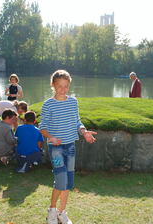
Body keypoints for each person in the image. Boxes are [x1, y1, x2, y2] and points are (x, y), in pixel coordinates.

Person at [39, 69, 97, 224]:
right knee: (60, 179)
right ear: (53, 85)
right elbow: (42, 127)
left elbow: (77, 122)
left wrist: (84, 132)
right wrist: (51, 137)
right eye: (60, 86)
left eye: (66, 86)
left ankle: (61, 213)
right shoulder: (48, 105)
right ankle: (52, 211)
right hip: (56, 148)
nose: (63, 90)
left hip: (71, 146)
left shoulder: (73, 102)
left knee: (68, 181)